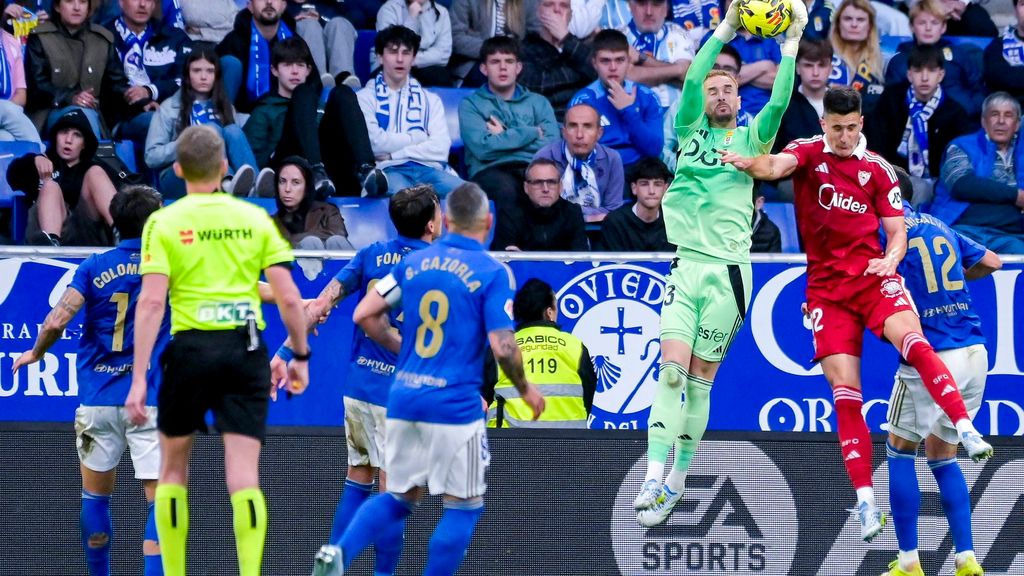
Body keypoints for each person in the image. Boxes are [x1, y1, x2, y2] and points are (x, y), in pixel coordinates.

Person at [719, 87, 994, 543]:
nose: (844, 136)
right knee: (845, 394)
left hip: (871, 276)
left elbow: (897, 232)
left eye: (851, 128)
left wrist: (891, 259)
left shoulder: (879, 170)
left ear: (860, 124)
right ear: (824, 123)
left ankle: (964, 428)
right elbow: (776, 167)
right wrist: (750, 164)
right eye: (836, 127)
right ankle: (866, 502)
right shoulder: (808, 151)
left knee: (915, 340)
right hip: (827, 292)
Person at [629, 0, 805, 530]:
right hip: (685, 268)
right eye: (714, 87)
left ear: (737, 97)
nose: (721, 91)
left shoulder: (753, 139)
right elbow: (694, 76)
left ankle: (679, 480)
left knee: (701, 383)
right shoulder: (688, 129)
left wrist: (790, 45)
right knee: (669, 371)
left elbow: (778, 101)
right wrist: (726, 27)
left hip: (730, 272)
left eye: (729, 87)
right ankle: (653, 474)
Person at [313, 182, 545, 576]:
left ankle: (339, 553)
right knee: (463, 504)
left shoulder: (409, 264)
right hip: (454, 404)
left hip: (403, 396)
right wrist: (525, 389)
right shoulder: (491, 272)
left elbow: (365, 313)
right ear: (487, 222)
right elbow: (503, 345)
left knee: (397, 497)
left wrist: (401, 348)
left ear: (447, 221)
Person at [125, 125, 311, 576]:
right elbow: (288, 297)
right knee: (244, 477)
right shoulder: (253, 218)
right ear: (226, 166)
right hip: (244, 348)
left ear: (176, 170)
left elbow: (151, 302)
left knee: (172, 473)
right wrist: (299, 356)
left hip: (188, 349)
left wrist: (137, 378)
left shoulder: (162, 222)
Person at [274, 184, 441, 576]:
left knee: (359, 474)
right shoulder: (438, 266)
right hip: (399, 395)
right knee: (394, 494)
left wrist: (283, 353)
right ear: (432, 224)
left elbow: (321, 302)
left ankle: (334, 561)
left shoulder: (370, 254)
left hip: (359, 385)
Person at [12, 185, 167, 576]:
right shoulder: (168, 269)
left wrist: (36, 353)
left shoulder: (94, 266)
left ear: (115, 220)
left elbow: (57, 319)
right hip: (148, 398)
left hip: (98, 399)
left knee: (95, 499)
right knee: (159, 502)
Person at [880, 168, 999, 576]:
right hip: (975, 352)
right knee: (942, 455)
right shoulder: (938, 225)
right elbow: (993, 261)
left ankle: (909, 562)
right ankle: (965, 557)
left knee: (899, 448)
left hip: (932, 356)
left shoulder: (889, 234)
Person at [459, 35, 558, 224]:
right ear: (484, 68)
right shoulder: (470, 104)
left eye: (509, 61)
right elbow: (483, 148)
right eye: (495, 62)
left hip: (533, 166)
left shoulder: (539, 102)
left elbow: (551, 147)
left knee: (549, 185)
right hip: (490, 170)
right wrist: (531, 132)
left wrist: (504, 136)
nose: (503, 67)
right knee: (510, 190)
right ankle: (508, 250)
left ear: (518, 67)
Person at [357, 25, 464, 197]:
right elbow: (374, 144)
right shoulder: (364, 98)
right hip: (389, 171)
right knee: (407, 198)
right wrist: (419, 138)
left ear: (413, 59)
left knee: (472, 196)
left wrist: (394, 154)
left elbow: (441, 148)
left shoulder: (431, 100)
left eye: (406, 53)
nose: (400, 59)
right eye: (393, 52)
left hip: (430, 170)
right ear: (379, 57)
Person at [145, 47, 260, 200]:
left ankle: (256, 187)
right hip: (178, 176)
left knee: (233, 130)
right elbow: (151, 157)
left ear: (216, 75)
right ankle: (225, 183)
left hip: (221, 168)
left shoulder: (226, 107)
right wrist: (186, 144)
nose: (204, 77)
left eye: (210, 71)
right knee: (211, 130)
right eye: (197, 71)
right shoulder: (168, 108)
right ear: (187, 75)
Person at [868, 44, 974, 208]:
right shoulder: (891, 99)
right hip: (890, 175)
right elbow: (876, 141)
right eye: (918, 70)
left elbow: (955, 160)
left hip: (935, 183)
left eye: (931, 71)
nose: (924, 77)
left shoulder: (954, 112)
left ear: (941, 75)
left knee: (922, 188)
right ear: (909, 74)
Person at [484, 278, 596, 428]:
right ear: (549, 313)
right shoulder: (575, 347)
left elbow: (483, 397)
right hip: (568, 446)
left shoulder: (502, 346)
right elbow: (587, 396)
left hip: (508, 445)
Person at [6, 108, 116, 246]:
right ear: (55, 137)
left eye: (77, 135)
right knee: (50, 186)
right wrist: (34, 160)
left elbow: (120, 199)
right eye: (64, 132)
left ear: (84, 144)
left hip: (87, 235)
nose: (68, 140)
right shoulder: (40, 162)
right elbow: (12, 178)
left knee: (96, 173)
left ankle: (122, 233)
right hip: (43, 236)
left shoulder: (93, 169)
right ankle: (52, 245)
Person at [931, 92, 1024, 254]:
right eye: (994, 114)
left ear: (1017, 124)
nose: (1001, 121)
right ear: (983, 121)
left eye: (1008, 115)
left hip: (1010, 236)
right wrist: (1016, 197)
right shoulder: (961, 146)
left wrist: (985, 191)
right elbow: (962, 185)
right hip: (962, 230)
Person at [25, 0, 130, 137]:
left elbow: (116, 84)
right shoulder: (40, 37)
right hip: (49, 112)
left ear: (89, 7)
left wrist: (139, 99)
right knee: (82, 116)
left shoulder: (102, 39)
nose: (76, 7)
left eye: (82, 2)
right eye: (69, 1)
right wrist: (70, 97)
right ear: (57, 6)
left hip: (95, 114)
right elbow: (37, 85)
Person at [107, 0, 192, 164]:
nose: (142, 4)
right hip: (125, 116)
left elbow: (188, 77)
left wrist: (151, 90)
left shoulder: (175, 37)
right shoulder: (104, 36)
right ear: (121, 2)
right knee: (158, 123)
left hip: (172, 109)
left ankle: (226, 181)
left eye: (148, 0)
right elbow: (108, 84)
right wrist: (140, 102)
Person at [570, 29, 664, 170]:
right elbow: (580, 152)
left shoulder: (648, 97)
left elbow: (654, 150)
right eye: (605, 61)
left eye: (620, 60)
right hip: (601, 171)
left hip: (640, 173)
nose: (613, 68)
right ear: (594, 63)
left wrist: (628, 111)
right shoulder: (583, 101)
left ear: (628, 61)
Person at [883, 0, 985, 120]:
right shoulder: (900, 61)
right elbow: (891, 101)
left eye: (934, 23)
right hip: (914, 126)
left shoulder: (959, 54)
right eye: (922, 23)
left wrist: (970, 110)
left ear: (943, 27)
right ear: (911, 27)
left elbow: (979, 89)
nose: (928, 28)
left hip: (961, 124)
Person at [215, 0, 322, 113]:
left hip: (289, 115)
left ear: (284, 6)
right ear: (250, 6)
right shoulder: (232, 42)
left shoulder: (296, 43)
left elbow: (313, 86)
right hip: (242, 117)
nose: (269, 2)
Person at [663, 43, 752, 171]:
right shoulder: (681, 108)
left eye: (727, 68)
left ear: (737, 78)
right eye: (714, 66)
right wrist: (683, 170)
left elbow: (755, 158)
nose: (719, 72)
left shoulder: (748, 120)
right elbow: (664, 147)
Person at [534, 103, 626, 222]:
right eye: (573, 126)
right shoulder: (545, 157)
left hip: (601, 230)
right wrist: (588, 217)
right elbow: (542, 208)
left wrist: (571, 214)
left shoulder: (612, 159)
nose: (579, 135)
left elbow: (614, 210)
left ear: (599, 133)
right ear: (564, 132)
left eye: (587, 126)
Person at [519, 0, 597, 121]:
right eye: (549, 4)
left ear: (570, 14)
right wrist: (579, 72)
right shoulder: (524, 48)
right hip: (548, 124)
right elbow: (541, 84)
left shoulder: (580, 45)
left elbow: (600, 73)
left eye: (564, 5)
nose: (557, 10)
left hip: (585, 122)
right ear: (538, 12)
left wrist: (565, 39)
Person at [492, 157, 591, 251]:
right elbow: (505, 257)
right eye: (538, 182)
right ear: (526, 187)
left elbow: (580, 257)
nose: (545, 189)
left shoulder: (572, 212)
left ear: (560, 186)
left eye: (551, 182)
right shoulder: (510, 213)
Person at [620, 0, 695, 109]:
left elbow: (689, 76)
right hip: (633, 113)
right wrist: (678, 69)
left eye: (656, 4)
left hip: (675, 115)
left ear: (666, 9)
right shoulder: (617, 36)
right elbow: (627, 76)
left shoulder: (679, 33)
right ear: (630, 7)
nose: (649, 12)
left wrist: (642, 59)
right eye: (642, 4)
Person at [271, 156, 353, 252]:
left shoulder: (327, 211)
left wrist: (293, 240)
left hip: (333, 263)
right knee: (310, 242)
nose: (287, 189)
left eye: (295, 182)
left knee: (335, 241)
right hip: (290, 265)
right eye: (282, 181)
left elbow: (339, 235)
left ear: (307, 187)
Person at [449, 0, 536, 87]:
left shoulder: (528, 2)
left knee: (533, 75)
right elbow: (455, 38)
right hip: (476, 62)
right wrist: (492, 50)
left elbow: (536, 38)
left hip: (517, 60)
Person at [597, 156, 674, 251]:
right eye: (644, 184)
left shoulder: (674, 223)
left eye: (657, 184)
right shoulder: (615, 222)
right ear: (634, 188)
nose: (651, 191)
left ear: (665, 188)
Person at [375, 0, 453, 87]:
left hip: (427, 66)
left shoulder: (442, 12)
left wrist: (411, 60)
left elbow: (442, 55)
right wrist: (412, 18)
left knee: (440, 76)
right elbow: (391, 49)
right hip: (392, 66)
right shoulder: (389, 9)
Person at [829, 0, 885, 117]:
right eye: (848, 19)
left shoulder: (883, 64)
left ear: (870, 26)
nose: (854, 24)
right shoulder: (825, 58)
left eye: (860, 20)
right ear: (838, 23)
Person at [774, 37, 830, 154]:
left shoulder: (842, 103)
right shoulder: (784, 106)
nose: (815, 72)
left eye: (822, 65)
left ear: (831, 68)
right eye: (808, 65)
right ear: (798, 68)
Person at [283, 0, 358, 81]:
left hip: (330, 42)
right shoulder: (282, 5)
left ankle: (344, 78)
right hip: (297, 48)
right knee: (310, 25)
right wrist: (292, 22)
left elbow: (353, 20)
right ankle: (317, 79)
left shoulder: (327, 4)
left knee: (339, 23)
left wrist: (320, 18)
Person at [0, 25, 43, 143]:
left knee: (6, 139)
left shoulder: (11, 42)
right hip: (9, 112)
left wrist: (5, 111)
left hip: (7, 116)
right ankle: (39, 153)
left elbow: (21, 96)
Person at [983, 0, 1024, 109]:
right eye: (1023, 4)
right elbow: (997, 77)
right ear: (1015, 10)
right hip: (1008, 111)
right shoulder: (998, 46)